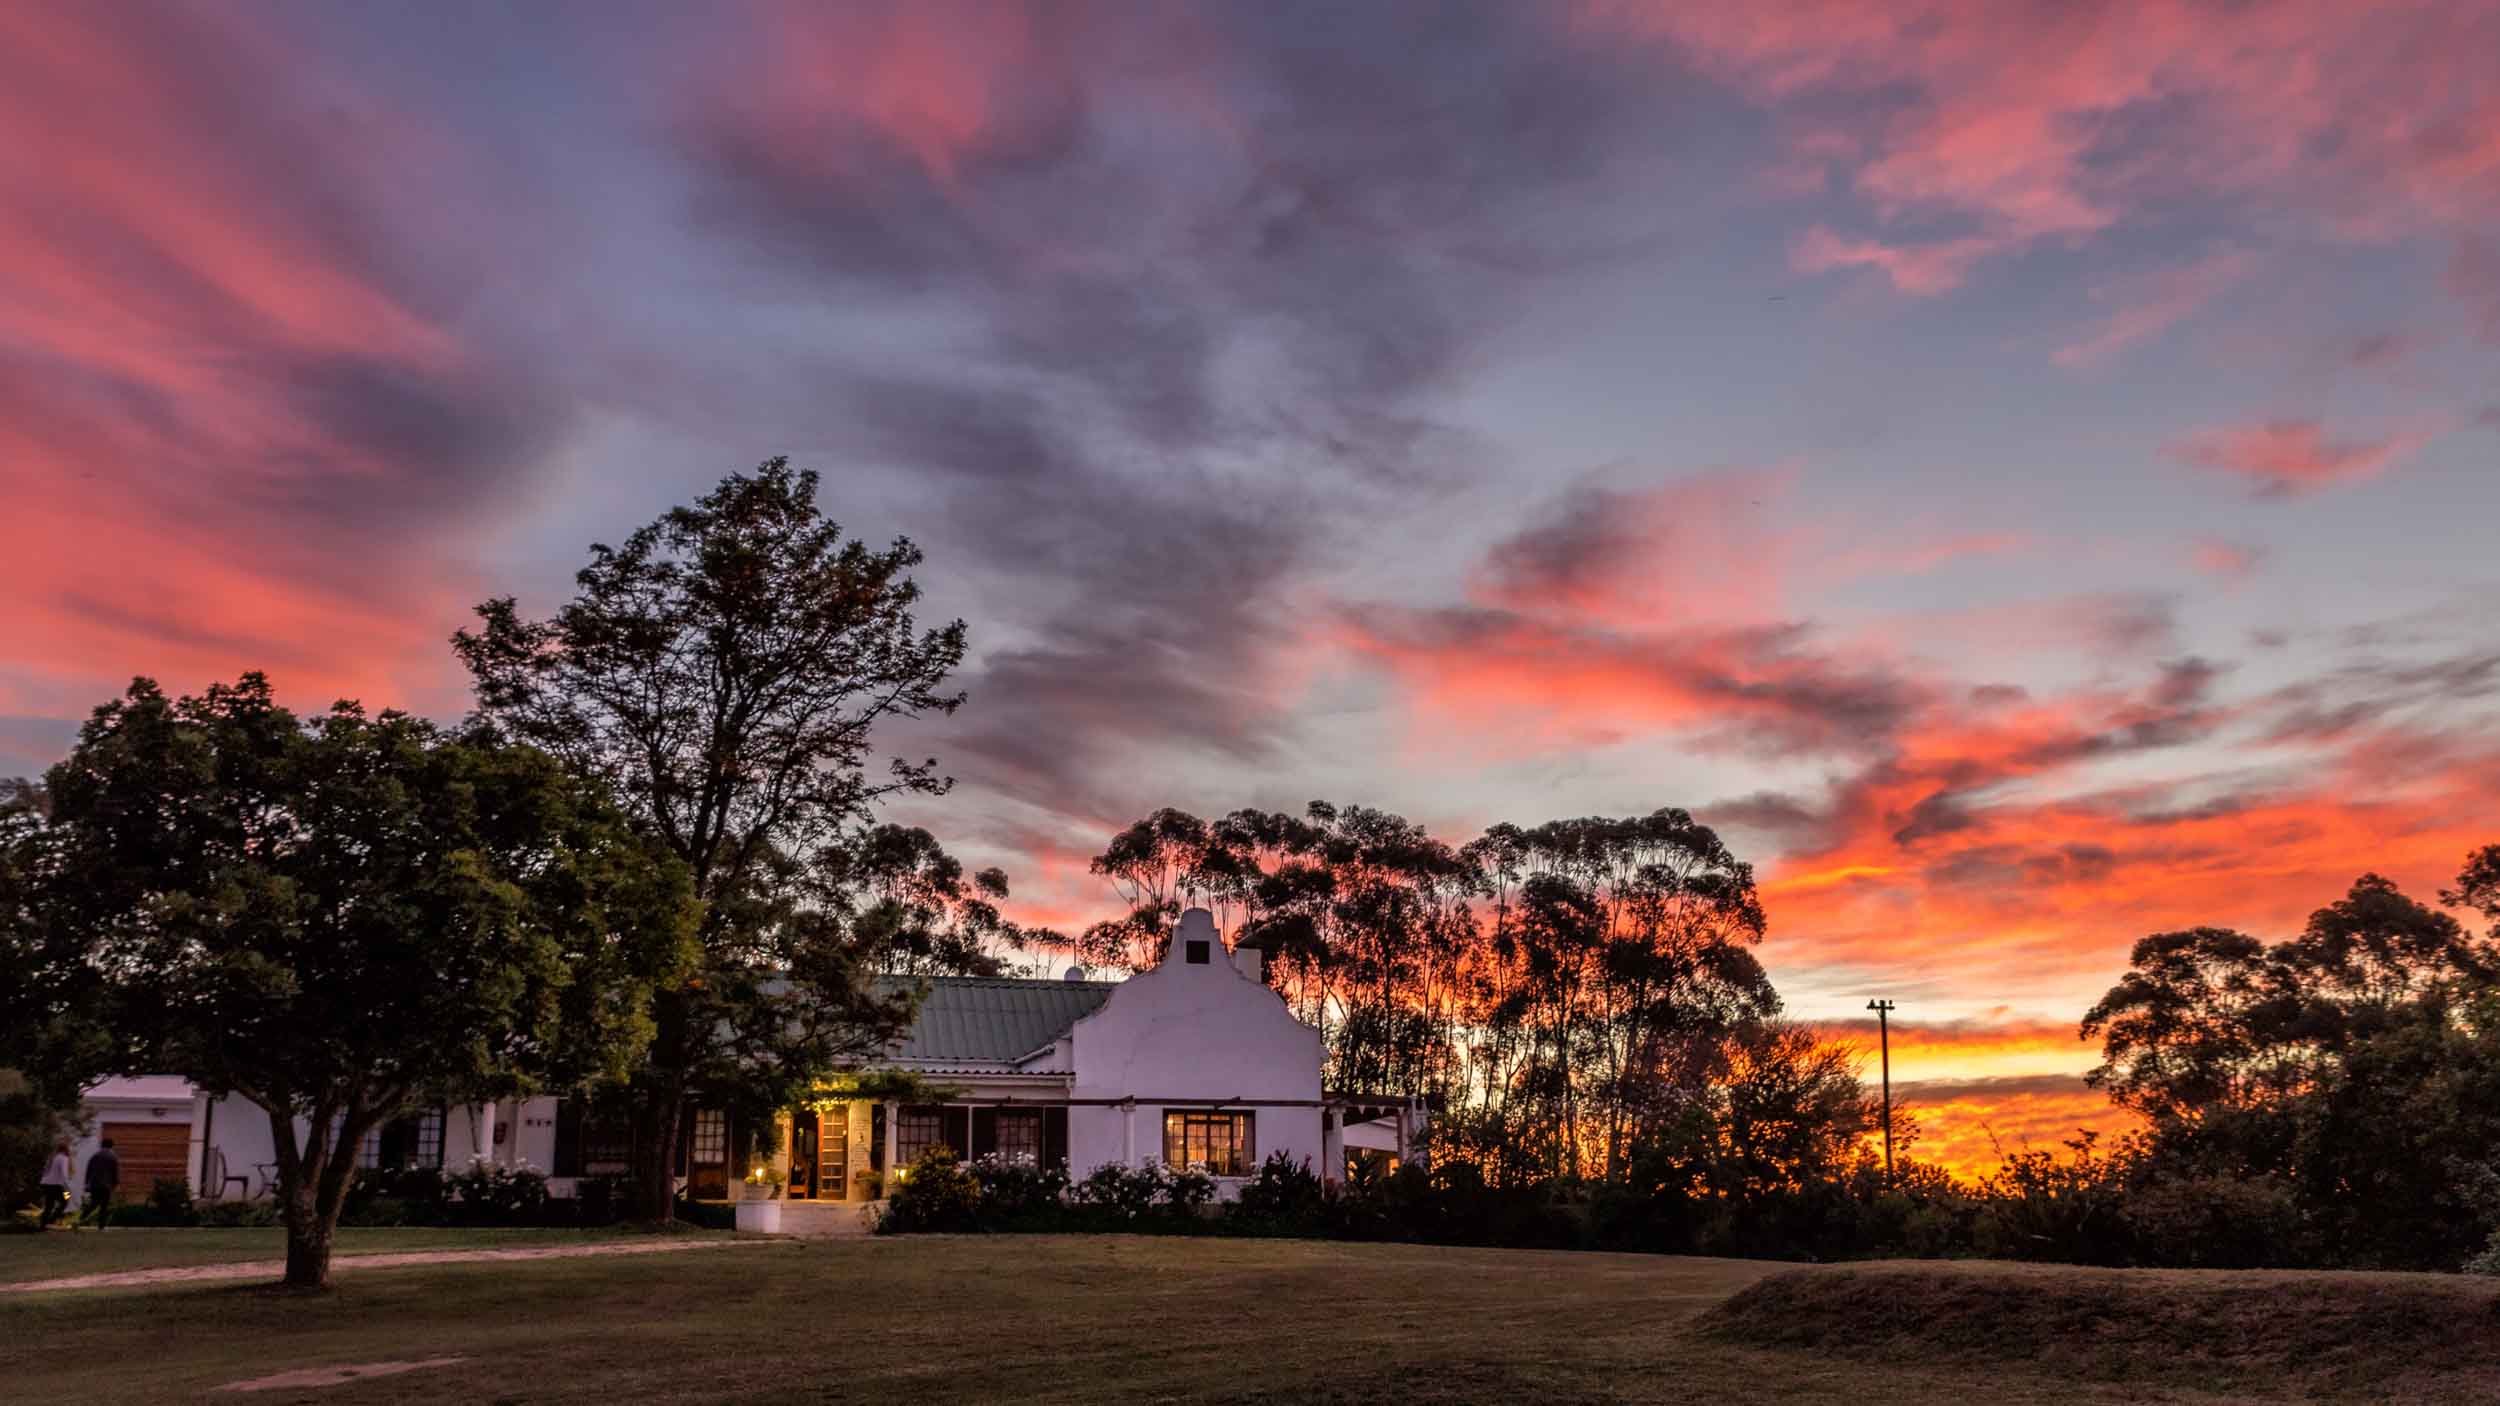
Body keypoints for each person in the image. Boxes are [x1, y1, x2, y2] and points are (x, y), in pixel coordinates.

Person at [79, 1136, 120, 1230]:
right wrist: (116, 1184)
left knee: (94, 1203)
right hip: (106, 1185)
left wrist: (86, 1183)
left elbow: (88, 1170)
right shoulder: (113, 1156)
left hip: (94, 1184)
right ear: (112, 1146)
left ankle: (80, 1218)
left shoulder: (95, 1155)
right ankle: (101, 1226)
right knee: (104, 1206)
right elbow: (115, 1171)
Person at [38, 1140, 73, 1227]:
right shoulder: (64, 1158)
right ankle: (51, 1220)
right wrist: (68, 1187)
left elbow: (45, 1170)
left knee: (49, 1205)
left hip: (45, 1184)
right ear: (66, 1149)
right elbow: (64, 1174)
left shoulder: (52, 1157)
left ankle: (43, 1224)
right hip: (56, 1185)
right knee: (65, 1201)